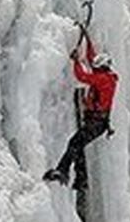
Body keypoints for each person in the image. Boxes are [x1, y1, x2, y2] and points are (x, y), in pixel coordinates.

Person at [43, 29, 117, 190]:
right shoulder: (106, 76)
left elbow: (82, 76)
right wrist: (87, 38)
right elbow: (92, 60)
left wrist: (76, 61)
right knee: (78, 145)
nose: (95, 69)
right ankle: (81, 180)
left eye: (97, 68)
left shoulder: (104, 80)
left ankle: (63, 171)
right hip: (98, 122)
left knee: (74, 143)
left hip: (96, 122)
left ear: (102, 68)